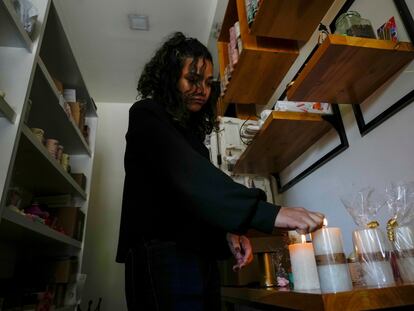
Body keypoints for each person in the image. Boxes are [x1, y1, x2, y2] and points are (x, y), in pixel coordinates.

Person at [116, 31, 324, 311]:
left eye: (208, 83)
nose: (202, 89)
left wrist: (227, 233)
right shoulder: (146, 113)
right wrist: (268, 213)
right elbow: (188, 176)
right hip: (162, 255)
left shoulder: (191, 139)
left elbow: (193, 201)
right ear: (169, 78)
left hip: (199, 257)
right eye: (193, 79)